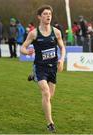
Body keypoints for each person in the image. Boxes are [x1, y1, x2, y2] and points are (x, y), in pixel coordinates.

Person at [20, 5, 66, 133]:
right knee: (45, 93)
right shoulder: (34, 33)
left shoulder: (56, 32)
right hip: (40, 67)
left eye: (50, 14)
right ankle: (50, 123)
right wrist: (27, 52)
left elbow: (62, 48)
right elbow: (22, 48)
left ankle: (34, 77)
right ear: (39, 17)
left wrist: (61, 60)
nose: (48, 16)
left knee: (49, 97)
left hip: (53, 68)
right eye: (45, 14)